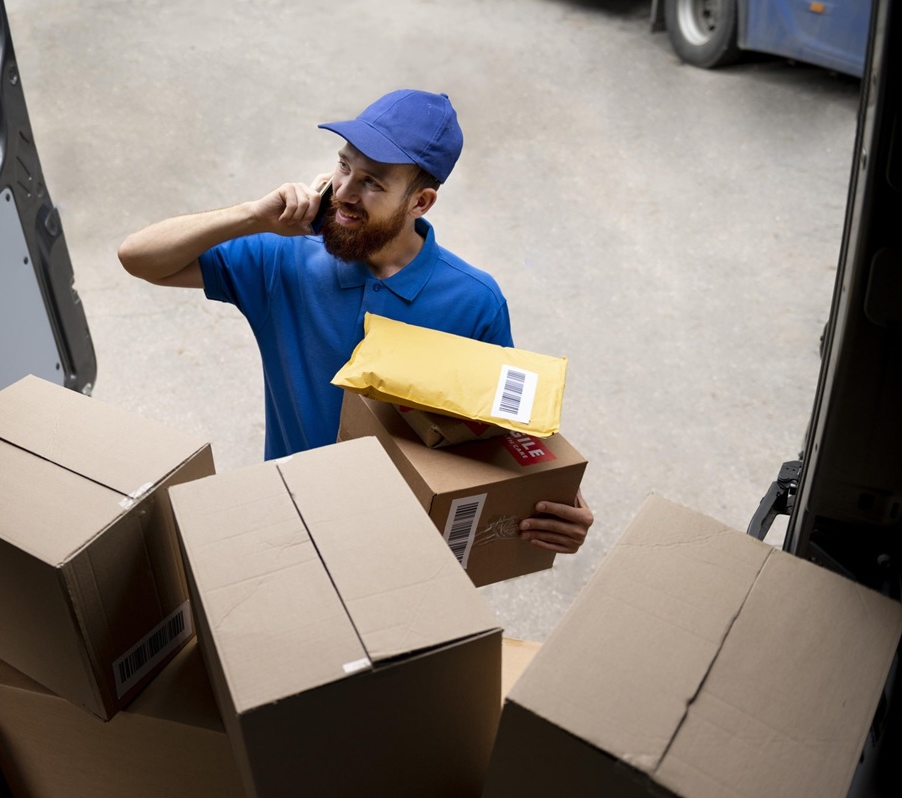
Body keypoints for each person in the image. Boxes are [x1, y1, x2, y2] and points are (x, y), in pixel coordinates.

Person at [119, 89, 593, 554]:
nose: (344, 192)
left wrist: (557, 505)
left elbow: (502, 433)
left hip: (400, 542)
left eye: (373, 182)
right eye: (344, 165)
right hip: (289, 519)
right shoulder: (283, 258)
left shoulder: (474, 301)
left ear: (420, 203)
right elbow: (139, 258)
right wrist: (252, 217)